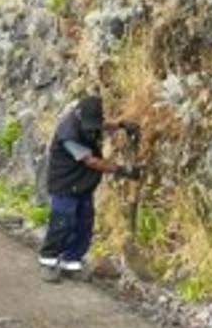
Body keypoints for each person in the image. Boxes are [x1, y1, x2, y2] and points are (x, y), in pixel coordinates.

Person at [39, 96, 141, 283]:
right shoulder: (67, 133)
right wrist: (120, 170)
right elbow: (90, 161)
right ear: (78, 115)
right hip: (65, 183)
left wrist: (120, 125)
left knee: (84, 223)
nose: (92, 126)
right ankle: (48, 261)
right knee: (62, 223)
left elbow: (99, 125)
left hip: (83, 184)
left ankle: (71, 262)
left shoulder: (87, 118)